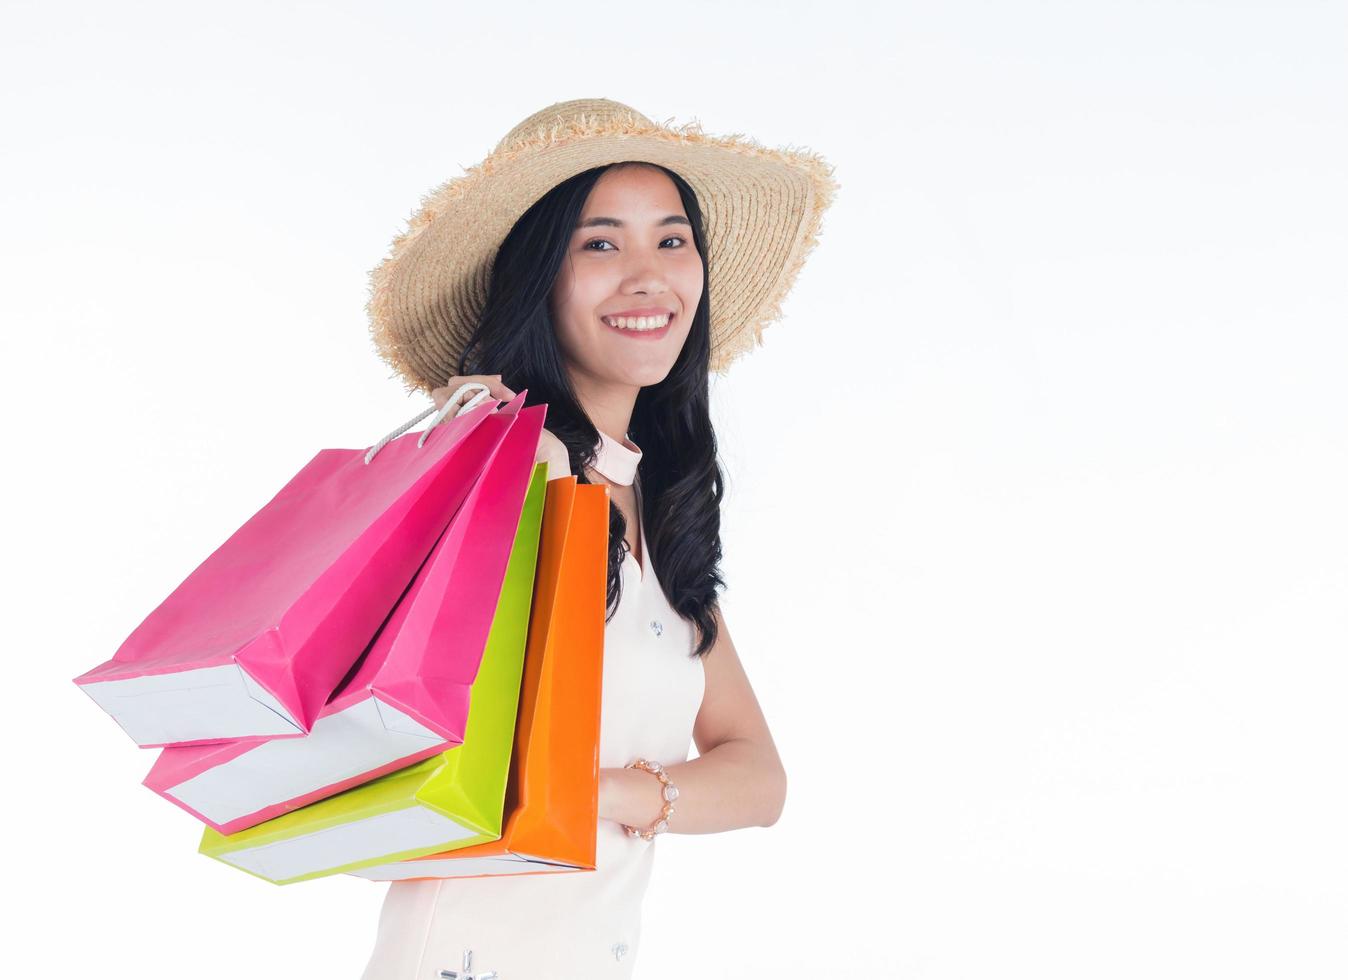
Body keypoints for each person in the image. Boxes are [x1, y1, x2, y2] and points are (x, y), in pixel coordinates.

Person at [358, 97, 838, 979]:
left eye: (672, 239)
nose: (649, 276)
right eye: (600, 244)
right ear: (538, 277)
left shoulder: (650, 507)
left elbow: (759, 779)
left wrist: (612, 794)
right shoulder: (511, 463)